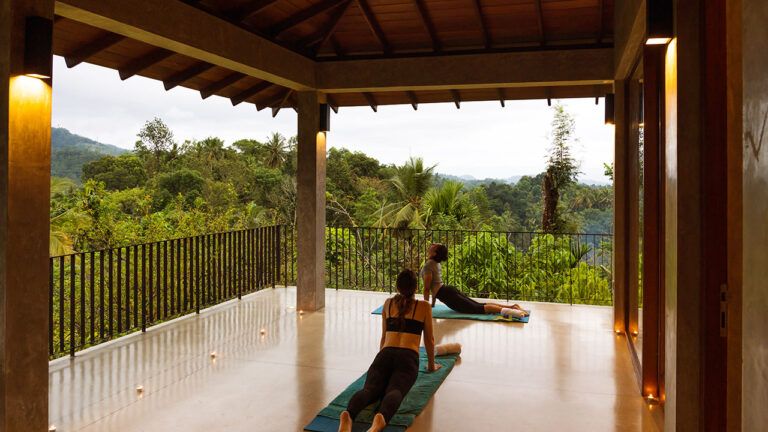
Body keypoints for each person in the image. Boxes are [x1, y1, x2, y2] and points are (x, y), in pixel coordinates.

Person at [338, 269, 440, 432]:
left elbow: (384, 337)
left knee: (369, 390)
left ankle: (348, 415)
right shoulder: (424, 307)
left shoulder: (388, 303)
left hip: (385, 354)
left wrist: (379, 362)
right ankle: (380, 418)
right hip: (408, 357)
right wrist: (431, 365)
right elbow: (429, 340)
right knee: (395, 390)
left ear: (398, 287)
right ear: (415, 288)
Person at [421, 243, 528, 317]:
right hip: (447, 291)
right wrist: (432, 304)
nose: (431, 245)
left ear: (434, 253)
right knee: (479, 305)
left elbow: (427, 288)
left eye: (433, 246)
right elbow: (434, 284)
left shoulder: (429, 265)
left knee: (479, 309)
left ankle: (512, 311)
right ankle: (512, 307)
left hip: (446, 294)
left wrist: (426, 308)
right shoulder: (435, 263)